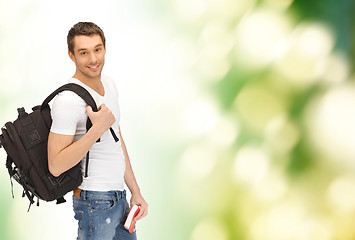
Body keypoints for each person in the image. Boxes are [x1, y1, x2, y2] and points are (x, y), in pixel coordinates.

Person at [47, 22, 148, 240]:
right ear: (71, 55)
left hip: (119, 197)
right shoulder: (68, 101)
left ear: (104, 48)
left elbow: (116, 142)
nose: (93, 59)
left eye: (97, 49)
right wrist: (97, 129)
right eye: (84, 52)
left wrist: (135, 191)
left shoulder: (109, 84)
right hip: (93, 201)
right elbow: (55, 165)